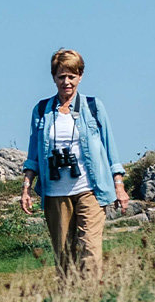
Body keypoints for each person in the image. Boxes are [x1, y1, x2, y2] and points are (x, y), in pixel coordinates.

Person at [20, 49, 129, 281]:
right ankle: (68, 299)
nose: (66, 82)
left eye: (72, 76)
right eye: (61, 76)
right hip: (55, 192)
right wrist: (26, 187)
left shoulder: (93, 106)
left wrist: (119, 185)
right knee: (64, 256)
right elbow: (33, 154)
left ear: (80, 76)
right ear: (53, 78)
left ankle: (91, 298)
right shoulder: (42, 110)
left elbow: (109, 146)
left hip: (90, 188)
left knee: (90, 249)